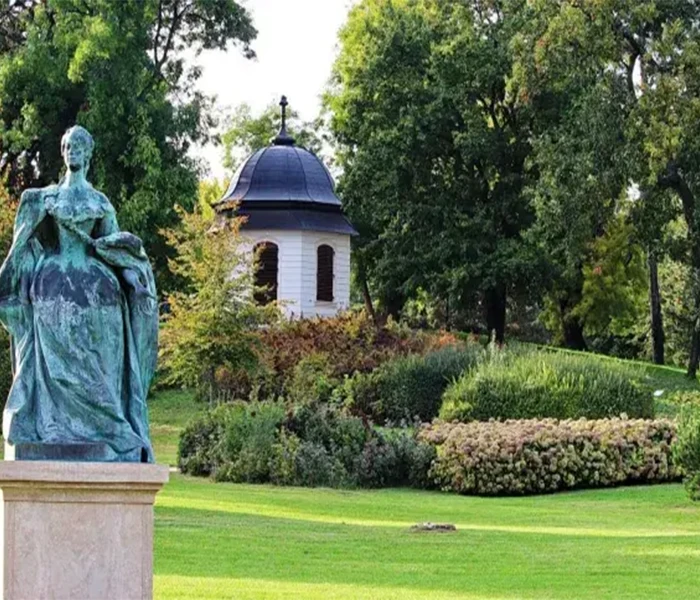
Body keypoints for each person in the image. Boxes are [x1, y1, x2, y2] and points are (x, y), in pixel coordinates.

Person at [0, 126, 157, 462]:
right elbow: (25, 244)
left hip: (96, 284)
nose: (72, 151)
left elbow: (113, 249)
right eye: (68, 146)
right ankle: (52, 423)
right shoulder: (46, 199)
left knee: (99, 354)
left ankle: (104, 426)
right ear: (63, 152)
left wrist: (135, 282)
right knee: (55, 348)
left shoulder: (99, 202)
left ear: (88, 154)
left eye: (79, 146)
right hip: (53, 281)